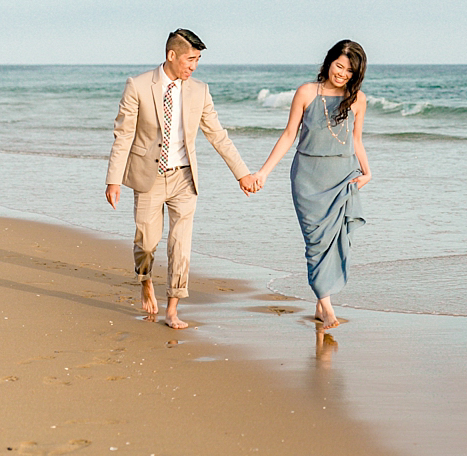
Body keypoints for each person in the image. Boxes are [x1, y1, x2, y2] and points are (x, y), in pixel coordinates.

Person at [105, 29, 261, 329]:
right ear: (171, 55)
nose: (194, 66)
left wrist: (242, 173)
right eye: (190, 59)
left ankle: (173, 307)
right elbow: (123, 134)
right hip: (149, 176)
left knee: (180, 244)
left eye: (198, 60)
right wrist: (113, 179)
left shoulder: (199, 91)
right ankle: (145, 280)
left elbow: (217, 134)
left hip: (184, 179)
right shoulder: (138, 86)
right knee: (146, 243)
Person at [253, 40, 371, 329]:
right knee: (316, 242)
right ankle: (327, 306)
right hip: (307, 177)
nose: (342, 73)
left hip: (342, 175)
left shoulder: (358, 99)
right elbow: (289, 134)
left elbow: (356, 140)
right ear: (329, 62)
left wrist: (368, 172)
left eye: (349, 70)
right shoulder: (307, 92)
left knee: (337, 241)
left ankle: (322, 305)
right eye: (339, 66)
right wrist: (264, 172)